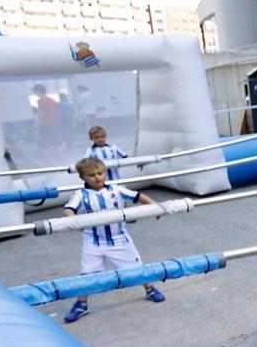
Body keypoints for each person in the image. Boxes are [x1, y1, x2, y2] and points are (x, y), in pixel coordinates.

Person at [62, 157, 166, 323]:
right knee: (86, 274)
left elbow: (138, 196)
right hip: (93, 242)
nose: (97, 177)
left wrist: (155, 207)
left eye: (100, 173)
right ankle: (81, 304)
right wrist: (73, 221)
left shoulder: (116, 189)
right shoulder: (80, 195)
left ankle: (150, 289)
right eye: (91, 175)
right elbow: (69, 209)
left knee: (137, 267)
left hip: (119, 239)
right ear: (83, 178)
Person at [32, 84, 59, 149]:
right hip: (54, 122)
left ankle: (47, 158)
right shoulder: (51, 100)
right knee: (57, 143)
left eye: (35, 91)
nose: (35, 93)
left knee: (43, 143)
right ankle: (62, 159)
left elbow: (41, 113)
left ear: (38, 91)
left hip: (46, 124)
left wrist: (37, 125)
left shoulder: (41, 101)